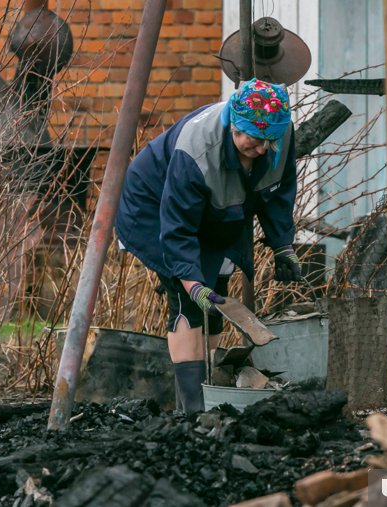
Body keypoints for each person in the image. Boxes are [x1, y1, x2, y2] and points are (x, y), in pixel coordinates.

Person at [115, 78, 303, 415]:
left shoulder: (278, 136)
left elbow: (278, 192)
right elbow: (177, 228)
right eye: (255, 141)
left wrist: (282, 245)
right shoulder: (196, 152)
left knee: (215, 291)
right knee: (188, 298)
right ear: (233, 125)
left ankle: (208, 398)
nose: (262, 150)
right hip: (154, 207)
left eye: (270, 142)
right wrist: (190, 279)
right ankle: (193, 410)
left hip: (211, 210)